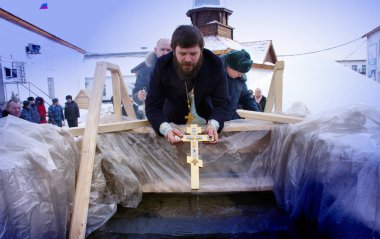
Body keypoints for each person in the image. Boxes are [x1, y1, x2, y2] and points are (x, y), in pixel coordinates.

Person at [145, 25, 230, 145]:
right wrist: (166, 129)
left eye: (193, 53)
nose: (188, 59)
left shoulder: (214, 63)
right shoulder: (162, 65)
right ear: (174, 51)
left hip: (206, 125)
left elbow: (222, 102)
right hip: (174, 125)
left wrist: (213, 125)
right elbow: (152, 106)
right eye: (182, 53)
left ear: (201, 50)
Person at [132, 38, 172, 119]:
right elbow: (136, 93)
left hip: (175, 115)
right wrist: (138, 95)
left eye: (168, 50)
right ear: (155, 50)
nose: (165, 53)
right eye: (162, 49)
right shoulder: (145, 70)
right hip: (153, 114)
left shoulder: (180, 67)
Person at [220, 49, 259, 120]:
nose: (241, 75)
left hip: (229, 121)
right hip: (210, 123)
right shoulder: (213, 74)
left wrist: (258, 116)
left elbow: (246, 98)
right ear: (229, 66)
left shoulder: (239, 80)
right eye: (239, 72)